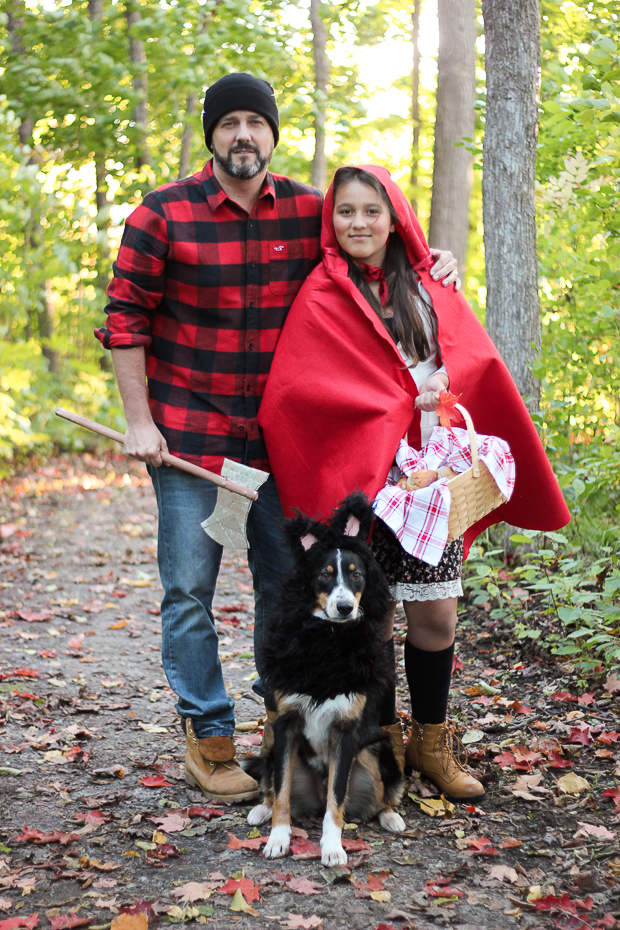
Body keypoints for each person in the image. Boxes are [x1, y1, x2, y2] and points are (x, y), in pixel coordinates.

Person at [94, 76, 460, 803]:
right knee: (189, 589)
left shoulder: (304, 209)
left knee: (287, 586)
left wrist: (431, 261)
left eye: (254, 123)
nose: (242, 136)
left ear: (272, 134)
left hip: (275, 444)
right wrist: (140, 421)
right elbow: (125, 319)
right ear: (211, 135)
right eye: (228, 122)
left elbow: (369, 250)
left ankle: (281, 724)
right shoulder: (161, 215)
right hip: (188, 440)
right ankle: (209, 733)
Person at [258, 165, 571, 801]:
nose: (358, 224)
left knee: (436, 617)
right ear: (331, 220)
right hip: (364, 483)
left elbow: (469, 357)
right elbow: (297, 390)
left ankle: (433, 741)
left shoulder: (429, 282)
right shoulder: (322, 291)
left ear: (394, 215)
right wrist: (367, 429)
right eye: (344, 212)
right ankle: (383, 740)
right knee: (370, 618)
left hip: (431, 483)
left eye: (371, 211)